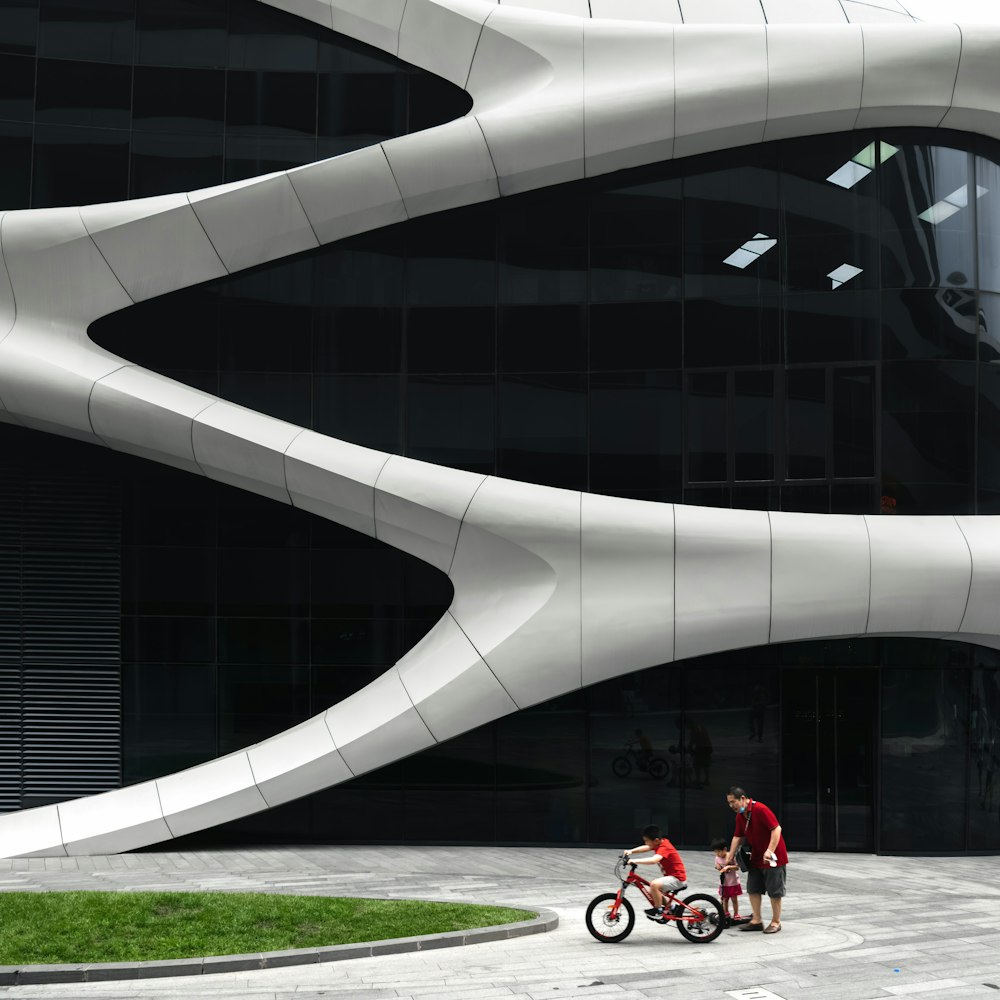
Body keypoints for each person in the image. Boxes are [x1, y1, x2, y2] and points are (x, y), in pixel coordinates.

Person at [723, 786, 787, 934]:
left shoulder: (761, 809)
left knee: (774, 891)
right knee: (753, 888)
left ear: (743, 799)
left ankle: (776, 922)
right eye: (729, 803)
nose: (731, 806)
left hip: (773, 858)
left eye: (733, 802)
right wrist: (730, 856)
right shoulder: (740, 816)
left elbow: (776, 829)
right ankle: (756, 920)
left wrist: (770, 850)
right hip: (756, 857)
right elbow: (737, 836)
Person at [624, 824, 687, 922]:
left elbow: (654, 860)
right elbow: (646, 847)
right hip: (672, 877)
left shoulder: (664, 846)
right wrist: (631, 851)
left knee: (654, 884)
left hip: (678, 878)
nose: (646, 843)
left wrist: (634, 861)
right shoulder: (658, 844)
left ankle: (658, 911)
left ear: (656, 840)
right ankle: (671, 908)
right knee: (652, 891)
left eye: (647, 840)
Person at [711, 837, 742, 920]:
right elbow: (717, 865)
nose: (717, 854)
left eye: (719, 851)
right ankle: (726, 912)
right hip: (724, 883)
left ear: (724, 849)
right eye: (715, 852)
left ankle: (736, 913)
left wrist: (729, 867)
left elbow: (737, 867)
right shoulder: (717, 858)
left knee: (734, 899)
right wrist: (717, 867)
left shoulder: (730, 856)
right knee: (725, 899)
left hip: (733, 882)